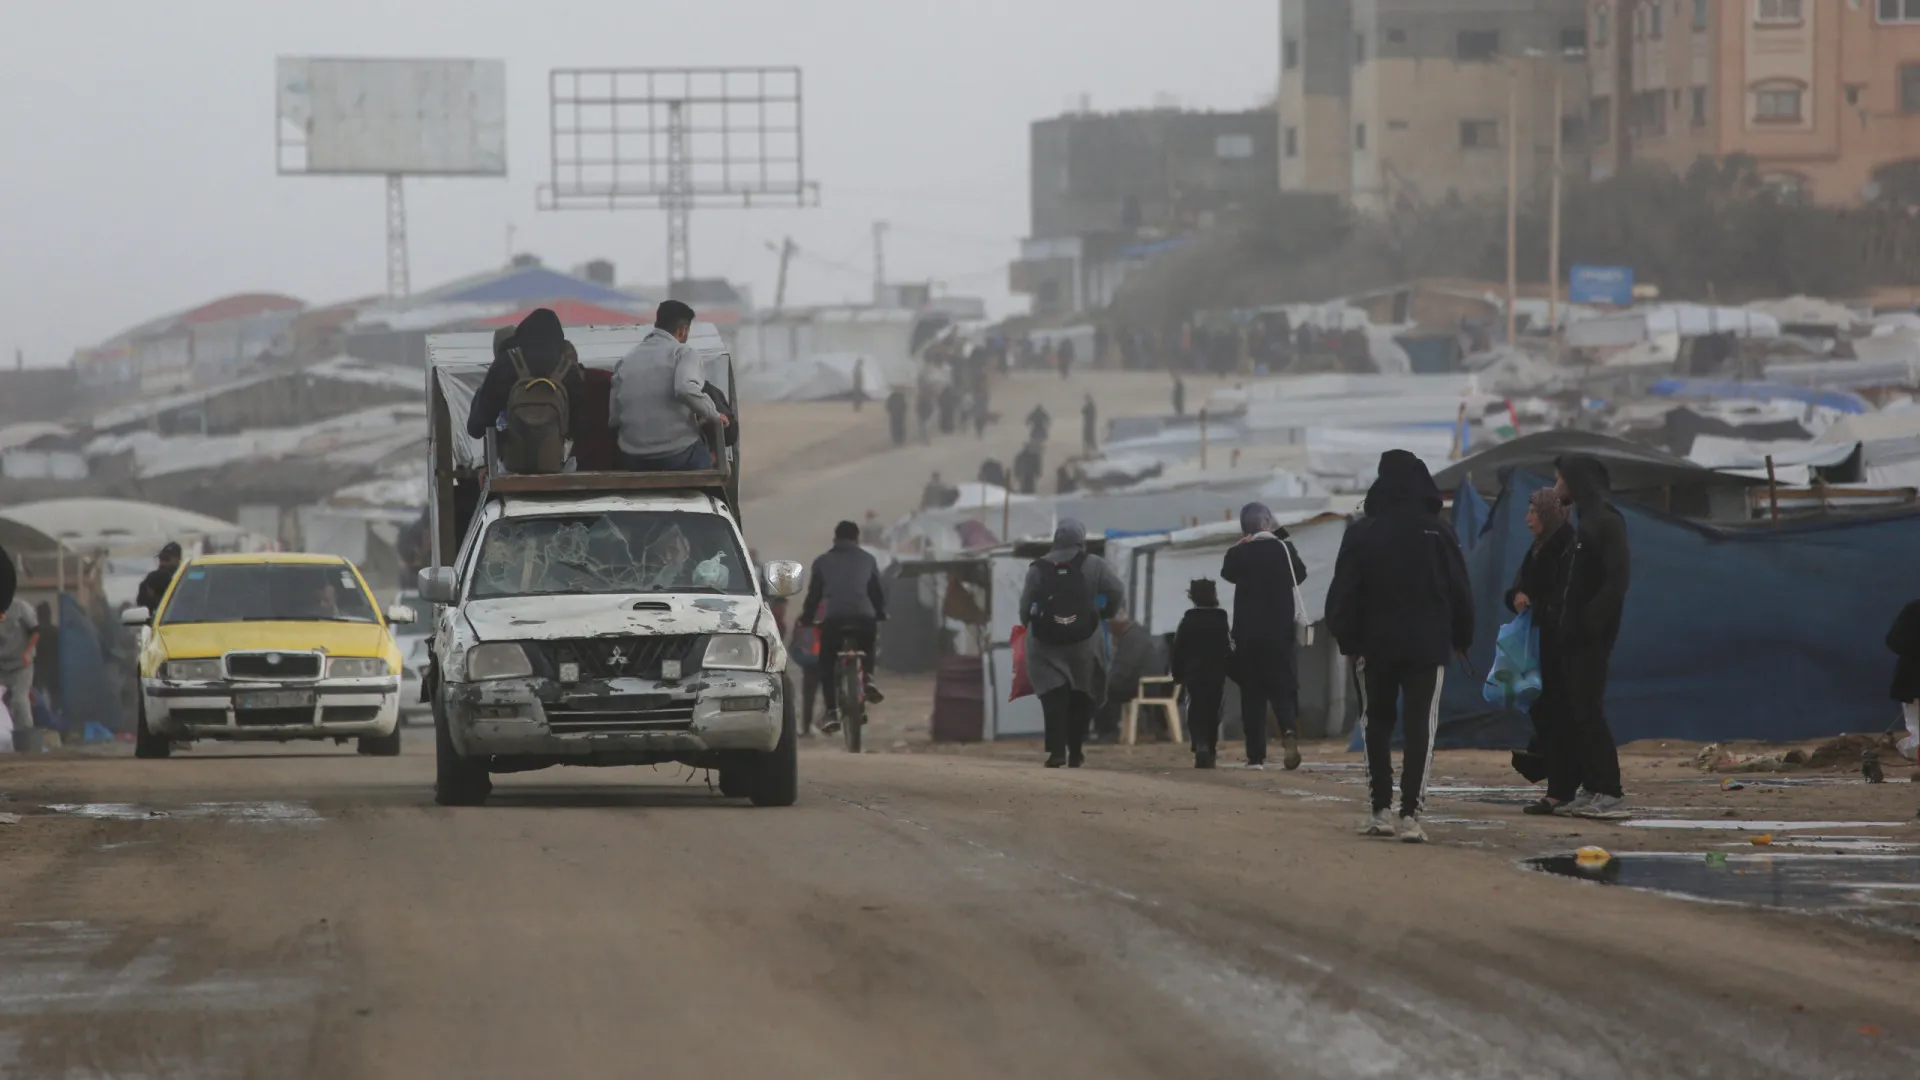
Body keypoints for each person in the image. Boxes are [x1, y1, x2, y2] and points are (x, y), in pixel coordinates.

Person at [1326, 450, 1474, 844]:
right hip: (1428, 646)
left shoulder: (1362, 532)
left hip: (1375, 648)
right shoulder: (1439, 532)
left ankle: (1380, 812)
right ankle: (1412, 815)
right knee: (1420, 728)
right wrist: (1462, 637)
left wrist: (1348, 640)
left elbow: (1344, 592)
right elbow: (1460, 590)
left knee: (1376, 725)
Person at [1555, 455, 1633, 820]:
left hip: (1592, 637)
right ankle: (1591, 785)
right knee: (1575, 712)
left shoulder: (1606, 521)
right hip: (1574, 637)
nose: (1556, 487)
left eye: (1559, 480)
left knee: (1589, 710)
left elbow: (1616, 581)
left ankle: (1610, 792)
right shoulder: (1583, 521)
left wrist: (1589, 623)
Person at [1019, 520, 1125, 768]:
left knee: (1053, 696)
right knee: (1081, 694)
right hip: (1085, 642)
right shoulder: (1095, 564)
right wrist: (1104, 613)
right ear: (1081, 539)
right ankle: (1076, 751)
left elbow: (1025, 605)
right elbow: (1117, 590)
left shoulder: (1038, 568)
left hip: (1045, 643)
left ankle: (1056, 751)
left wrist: (1031, 626)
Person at [1221, 502, 1311, 771]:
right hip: (1280, 634)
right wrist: (1280, 535)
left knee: (1253, 695)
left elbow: (1227, 574)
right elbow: (1301, 574)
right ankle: (1289, 732)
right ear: (1269, 523)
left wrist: (1241, 545)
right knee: (1281, 690)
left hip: (1248, 636)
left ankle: (1256, 757)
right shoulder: (1284, 550)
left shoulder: (1240, 553)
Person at [1508, 488, 1578, 816]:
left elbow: (1567, 596)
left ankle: (1561, 790)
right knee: (1544, 713)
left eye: (1533, 512)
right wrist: (1517, 597)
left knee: (1558, 716)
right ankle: (1558, 787)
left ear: (1548, 514)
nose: (1527, 518)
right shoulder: (1539, 547)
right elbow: (1519, 586)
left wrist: (1534, 603)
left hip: (1559, 645)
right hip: (1536, 643)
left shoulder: (1566, 547)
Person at [610, 300, 728, 472]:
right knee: (710, 458)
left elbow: (614, 418)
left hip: (632, 457)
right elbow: (685, 389)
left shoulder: (626, 361)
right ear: (683, 330)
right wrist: (714, 415)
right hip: (677, 455)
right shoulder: (683, 353)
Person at [800, 521, 888, 733]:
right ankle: (868, 677)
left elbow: (814, 596)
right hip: (864, 618)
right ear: (857, 539)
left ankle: (831, 712)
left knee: (827, 664)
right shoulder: (868, 559)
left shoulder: (822, 562)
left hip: (835, 619)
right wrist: (880, 613)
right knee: (869, 644)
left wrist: (807, 618)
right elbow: (876, 592)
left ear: (835, 539)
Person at [466, 309, 588, 457]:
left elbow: (476, 427)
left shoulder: (506, 363)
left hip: (510, 465)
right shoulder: (567, 369)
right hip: (556, 464)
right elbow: (582, 427)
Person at [1172, 579, 1233, 769]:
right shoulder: (1221, 619)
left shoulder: (1188, 620)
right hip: (1216, 673)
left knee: (1196, 709)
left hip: (1194, 674)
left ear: (1192, 597)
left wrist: (1177, 673)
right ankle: (1211, 749)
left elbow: (1178, 649)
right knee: (1213, 711)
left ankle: (1200, 743)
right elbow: (1227, 647)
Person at [1095, 608, 1166, 743]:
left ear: (1117, 625)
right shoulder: (1136, 633)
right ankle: (1106, 732)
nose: (1109, 631)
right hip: (1148, 682)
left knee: (1104, 690)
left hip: (1145, 685)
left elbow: (1124, 668)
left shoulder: (1132, 638)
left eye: (1110, 627)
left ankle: (1108, 733)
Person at [0, 595, 38, 753]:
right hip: (2, 665)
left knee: (19, 701)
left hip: (21, 664)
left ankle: (28, 740)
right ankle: (9, 740)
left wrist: (28, 652)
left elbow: (35, 631)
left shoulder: (20, 607)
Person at [1887, 600, 1920, 761]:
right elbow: (1894, 640)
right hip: (1913, 682)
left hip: (1912, 682)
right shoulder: (1914, 610)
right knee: (1918, 737)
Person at [137, 542, 184, 612]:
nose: (163, 563)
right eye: (161, 559)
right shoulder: (153, 579)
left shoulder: (185, 579)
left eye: (167, 559)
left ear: (178, 559)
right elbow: (142, 604)